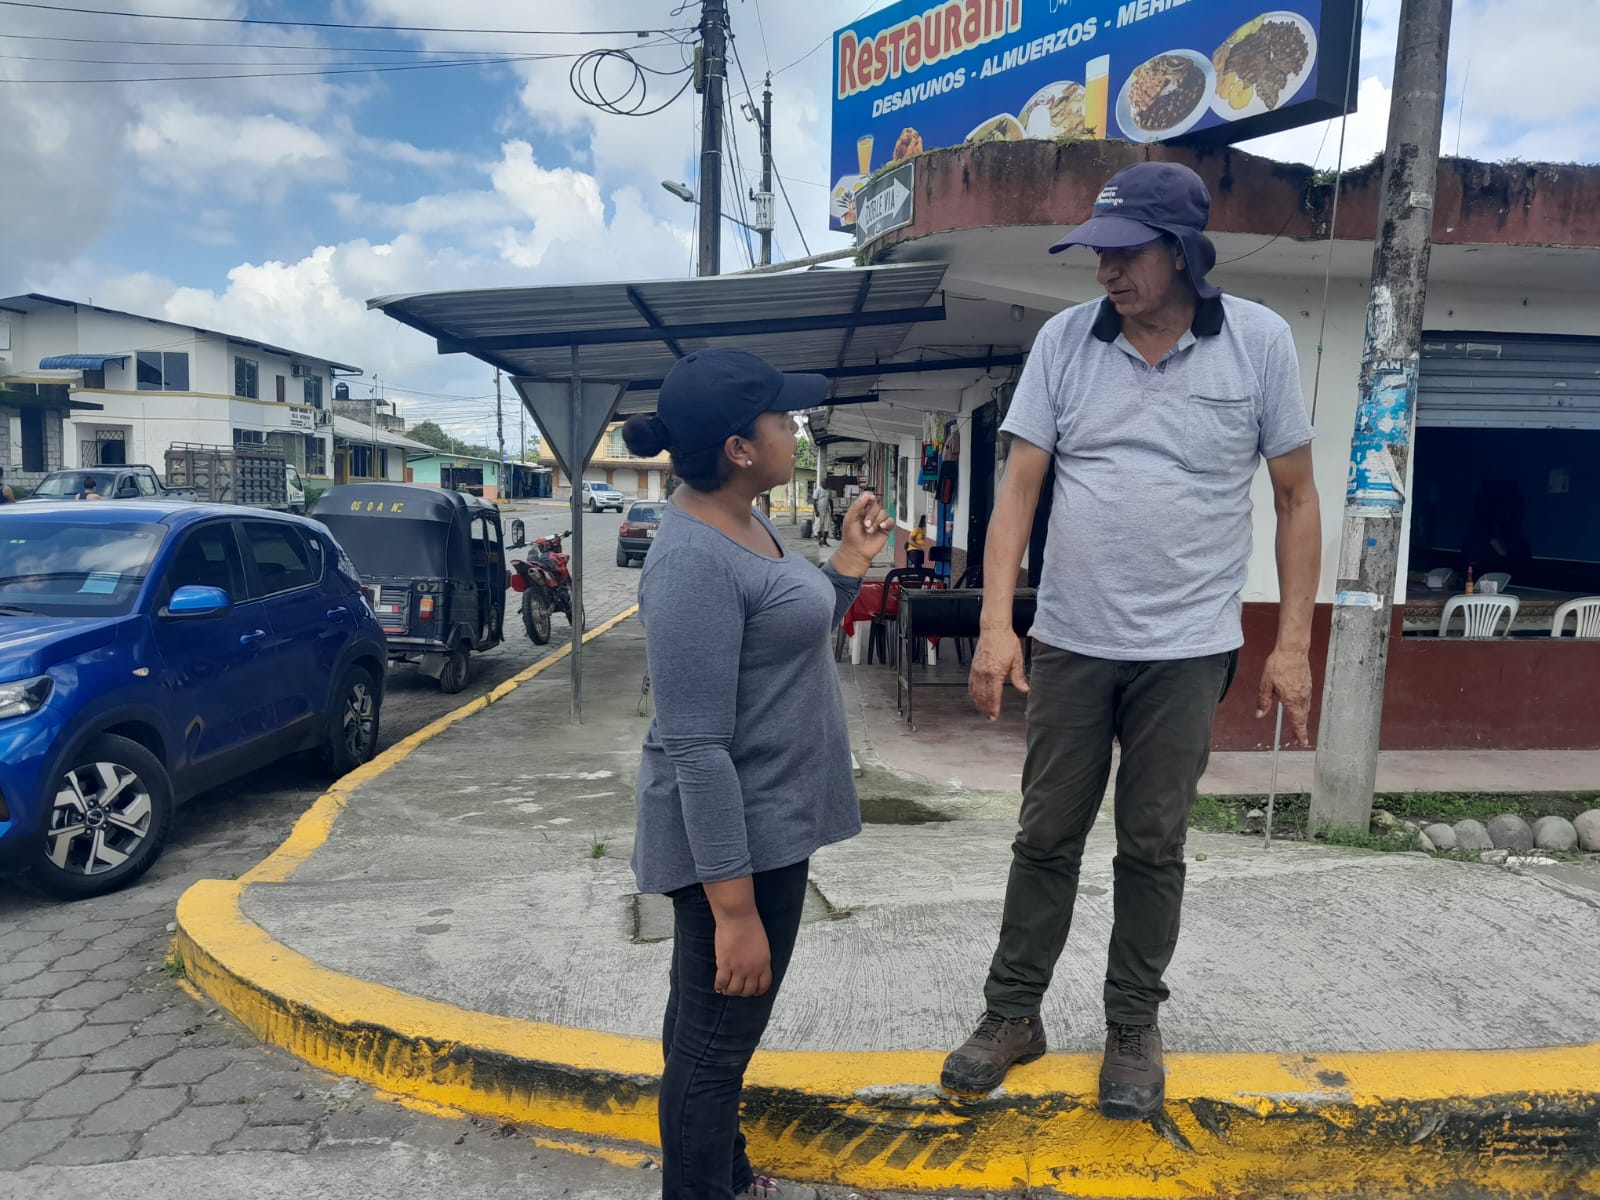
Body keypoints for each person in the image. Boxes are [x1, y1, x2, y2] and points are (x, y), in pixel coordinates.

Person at [940, 162, 1322, 1120]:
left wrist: (1292, 644)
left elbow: (1295, 498)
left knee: (1153, 844)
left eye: (1124, 253)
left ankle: (1132, 1024)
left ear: (1183, 253)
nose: (1105, 271)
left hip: (1189, 648)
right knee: (1045, 835)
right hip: (1073, 640)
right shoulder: (1066, 342)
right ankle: (1012, 1013)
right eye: (1097, 253)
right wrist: (995, 624)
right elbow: (1018, 491)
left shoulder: (1260, 343)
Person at [622, 348, 893, 1200]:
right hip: (734, 842)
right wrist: (733, 911)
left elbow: (789, 633)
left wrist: (847, 564)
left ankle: (727, 1174)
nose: (794, 429)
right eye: (781, 419)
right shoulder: (692, 561)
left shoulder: (750, 522)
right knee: (714, 1049)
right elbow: (696, 747)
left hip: (769, 825)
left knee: (703, 1037)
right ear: (740, 448)